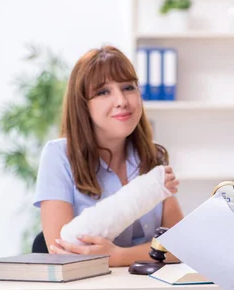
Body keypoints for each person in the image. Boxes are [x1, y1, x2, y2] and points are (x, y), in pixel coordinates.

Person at [33, 45, 183, 265]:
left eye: (128, 88)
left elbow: (182, 246)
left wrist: (119, 256)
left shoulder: (152, 158)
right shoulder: (59, 157)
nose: (121, 100)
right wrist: (147, 253)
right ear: (83, 105)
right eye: (103, 92)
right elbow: (63, 250)